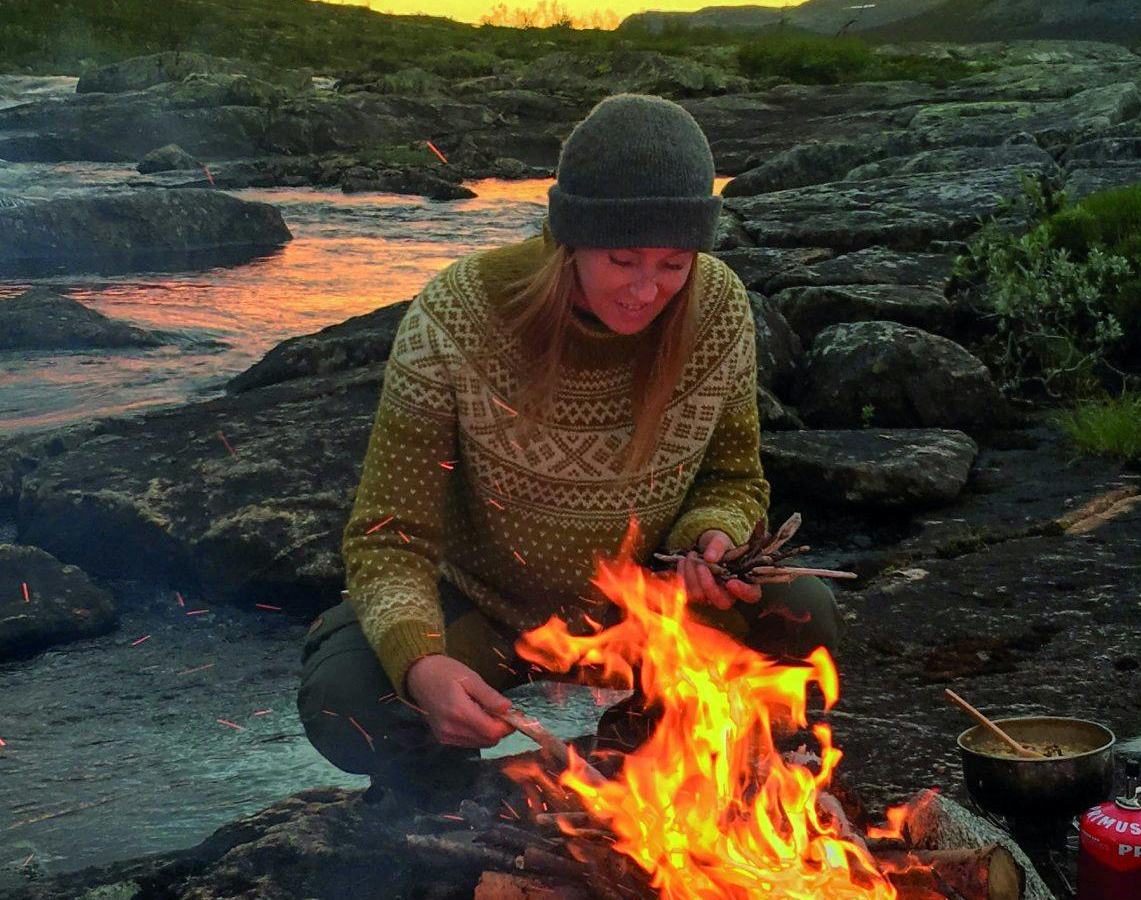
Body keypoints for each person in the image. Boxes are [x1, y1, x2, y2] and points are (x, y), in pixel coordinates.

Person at [297, 91, 843, 804]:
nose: (648, 290)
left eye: (675, 263)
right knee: (347, 702)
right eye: (622, 259)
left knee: (806, 618)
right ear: (571, 239)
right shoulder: (456, 317)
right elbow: (386, 536)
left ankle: (651, 749)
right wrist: (421, 666)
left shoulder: (716, 308)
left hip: (646, 604)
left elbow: (734, 479)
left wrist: (707, 541)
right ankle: (444, 793)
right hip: (483, 611)